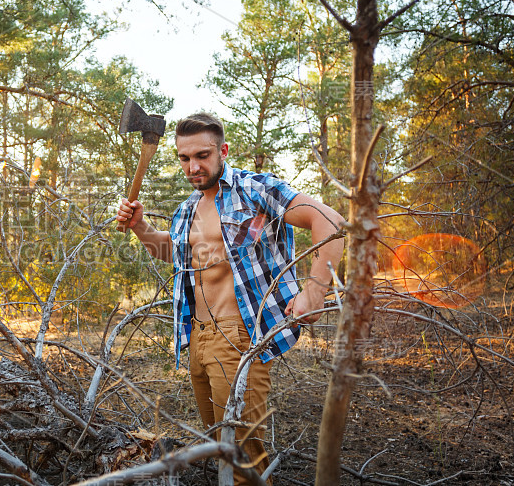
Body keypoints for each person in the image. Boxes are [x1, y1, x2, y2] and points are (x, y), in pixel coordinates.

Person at [116, 112, 345, 484]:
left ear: (222, 150)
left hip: (239, 336)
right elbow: (176, 254)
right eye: (184, 158)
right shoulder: (188, 208)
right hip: (196, 337)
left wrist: (315, 290)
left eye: (202, 155)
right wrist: (142, 227)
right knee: (220, 448)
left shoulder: (255, 190)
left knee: (242, 459)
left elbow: (330, 221)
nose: (193, 166)